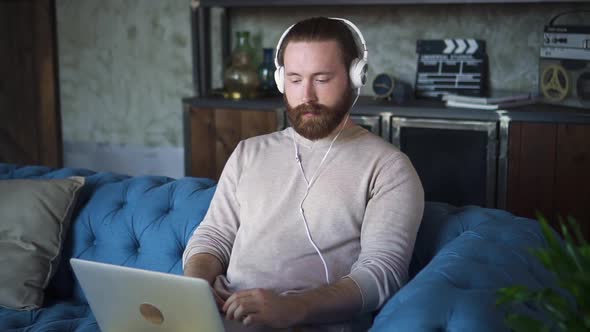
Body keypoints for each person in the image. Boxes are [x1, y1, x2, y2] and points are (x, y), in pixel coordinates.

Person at [183, 17, 424, 332]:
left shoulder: (389, 167)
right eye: (295, 80)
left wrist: (292, 308)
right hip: (224, 317)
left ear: (355, 78)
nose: (306, 95)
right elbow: (213, 237)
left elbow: (382, 274)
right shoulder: (248, 153)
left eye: (322, 79)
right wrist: (194, 292)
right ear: (281, 81)